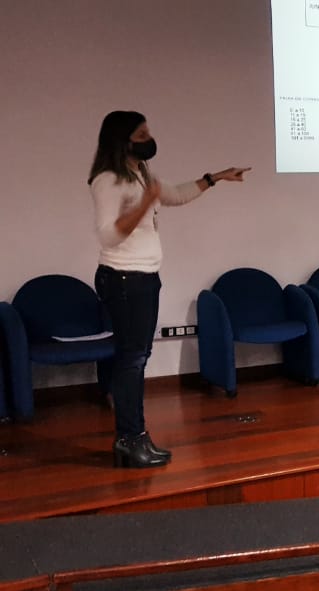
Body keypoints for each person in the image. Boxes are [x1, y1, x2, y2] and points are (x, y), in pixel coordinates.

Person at [89, 110, 249, 468]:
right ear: (122, 140)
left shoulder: (139, 172)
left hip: (144, 277)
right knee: (132, 361)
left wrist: (214, 178)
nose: (149, 139)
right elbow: (108, 234)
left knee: (137, 358)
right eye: (141, 134)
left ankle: (135, 437)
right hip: (124, 279)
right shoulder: (108, 180)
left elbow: (174, 195)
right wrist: (145, 202)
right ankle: (130, 439)